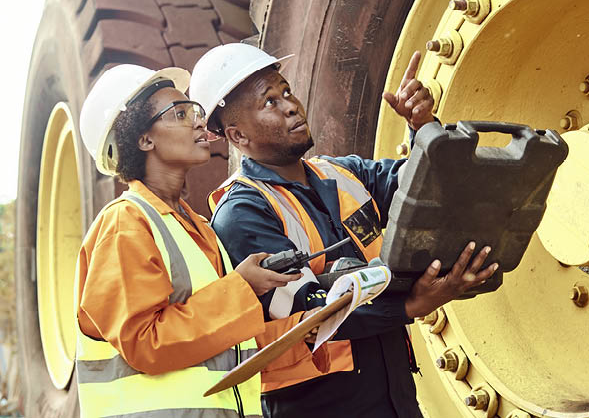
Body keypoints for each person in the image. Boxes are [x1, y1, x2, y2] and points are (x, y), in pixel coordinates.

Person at [189, 44, 498, 418]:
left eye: (286, 91)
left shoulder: (342, 174)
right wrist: (413, 305)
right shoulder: (242, 213)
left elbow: (425, 189)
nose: (290, 105)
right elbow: (311, 312)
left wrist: (423, 127)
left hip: (395, 396)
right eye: (269, 102)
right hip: (322, 406)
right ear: (238, 137)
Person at [75, 64, 302, 418]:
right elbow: (145, 343)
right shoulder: (124, 224)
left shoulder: (196, 227)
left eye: (194, 111)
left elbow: (225, 341)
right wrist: (242, 288)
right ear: (144, 139)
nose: (199, 121)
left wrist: (317, 320)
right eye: (180, 114)